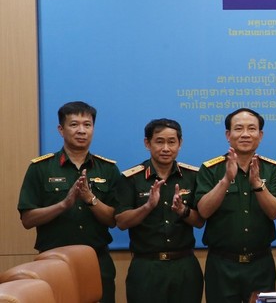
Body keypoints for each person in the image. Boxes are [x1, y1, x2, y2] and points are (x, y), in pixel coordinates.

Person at [17, 101, 121, 303]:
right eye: (74, 125)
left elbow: (113, 220)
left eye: (87, 125)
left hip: (97, 262)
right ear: (61, 130)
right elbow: (28, 219)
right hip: (53, 263)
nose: (81, 131)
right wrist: (63, 205)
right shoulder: (41, 168)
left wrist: (90, 199)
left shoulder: (107, 169)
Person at [195, 108, 276, 302]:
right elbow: (203, 211)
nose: (245, 134)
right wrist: (226, 179)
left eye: (251, 129)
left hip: (261, 264)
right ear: (228, 135)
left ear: (260, 135)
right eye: (238, 129)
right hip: (222, 265)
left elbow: (274, 212)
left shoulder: (272, 169)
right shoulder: (211, 169)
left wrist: (258, 185)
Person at [115, 118, 204, 303]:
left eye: (172, 142)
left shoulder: (192, 176)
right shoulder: (131, 178)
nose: (166, 148)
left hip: (185, 266)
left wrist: (183, 210)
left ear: (180, 143)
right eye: (159, 141)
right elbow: (121, 222)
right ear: (147, 143)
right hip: (146, 267)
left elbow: (199, 221)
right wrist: (147, 207)